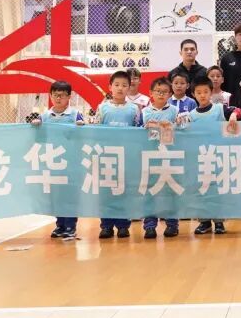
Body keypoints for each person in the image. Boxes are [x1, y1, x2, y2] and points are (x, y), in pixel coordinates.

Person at [29, 80, 85, 240]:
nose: (58, 98)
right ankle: (60, 225)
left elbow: (83, 136)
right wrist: (35, 127)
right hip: (52, 163)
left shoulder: (75, 115)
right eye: (55, 95)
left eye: (62, 95)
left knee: (70, 195)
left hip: (71, 164)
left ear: (69, 97)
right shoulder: (45, 116)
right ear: (50, 96)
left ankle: (70, 226)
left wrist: (81, 127)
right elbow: (39, 139)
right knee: (55, 196)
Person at [187, 77, 241, 235]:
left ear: (211, 92)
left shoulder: (219, 108)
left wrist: (233, 115)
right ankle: (204, 222)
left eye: (205, 91)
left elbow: (239, 111)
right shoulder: (191, 115)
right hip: (200, 158)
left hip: (218, 156)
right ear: (193, 94)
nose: (202, 95)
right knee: (202, 189)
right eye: (199, 92)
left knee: (218, 190)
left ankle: (219, 222)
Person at [95, 70, 142, 239]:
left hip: (127, 157)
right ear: (110, 87)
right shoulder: (102, 108)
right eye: (116, 85)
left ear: (129, 87)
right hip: (106, 157)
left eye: (124, 85)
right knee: (106, 193)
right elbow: (94, 131)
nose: (120, 88)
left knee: (124, 191)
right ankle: (106, 226)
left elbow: (138, 132)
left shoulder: (134, 109)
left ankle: (123, 225)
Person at [140, 77, 180, 239]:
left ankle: (172, 224)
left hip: (170, 156)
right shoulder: (144, 112)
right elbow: (136, 132)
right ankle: (150, 226)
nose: (161, 94)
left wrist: (173, 125)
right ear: (151, 93)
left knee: (170, 191)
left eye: (165, 92)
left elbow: (182, 130)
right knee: (150, 191)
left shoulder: (175, 111)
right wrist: (143, 127)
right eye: (158, 91)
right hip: (149, 157)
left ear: (170, 94)